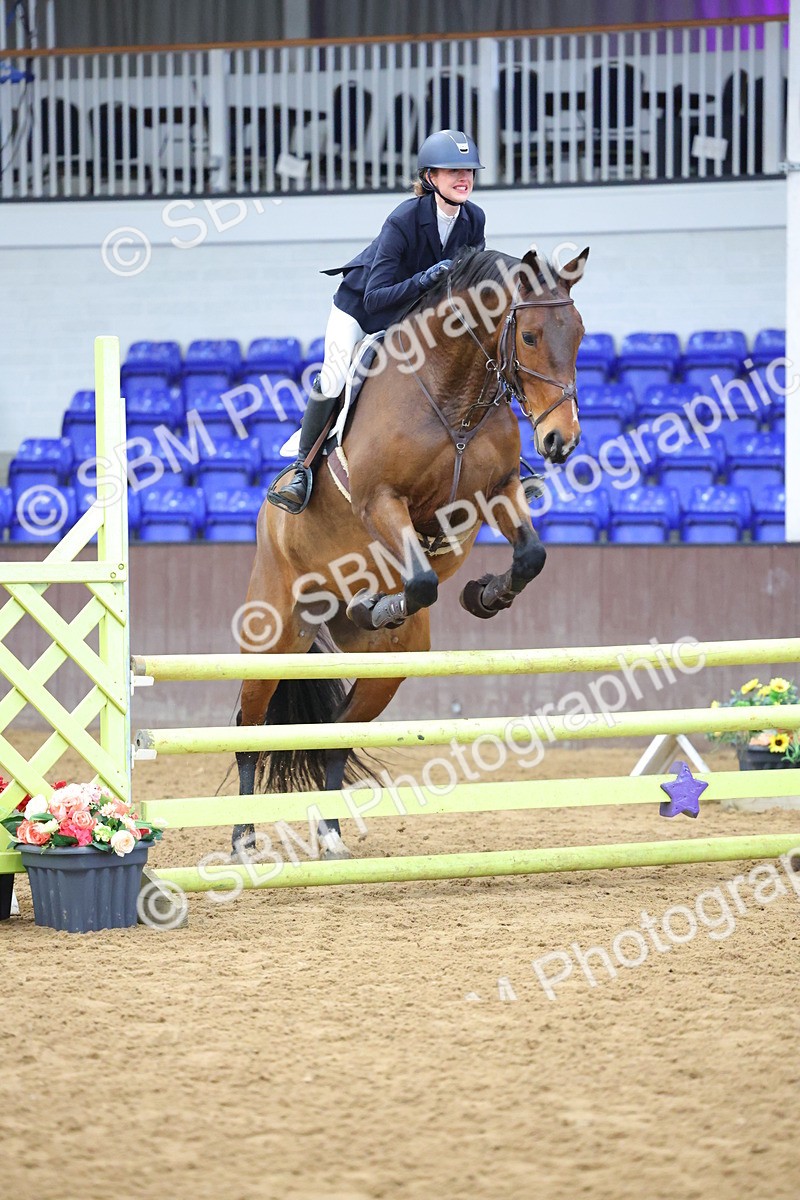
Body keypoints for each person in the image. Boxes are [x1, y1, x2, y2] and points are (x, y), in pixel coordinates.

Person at [269, 128, 486, 512]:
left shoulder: (474, 219)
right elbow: (375, 296)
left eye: (468, 170)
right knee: (335, 375)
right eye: (453, 170)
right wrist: (424, 280)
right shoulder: (403, 219)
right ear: (430, 177)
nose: (463, 177)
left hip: (410, 316)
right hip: (361, 310)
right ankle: (302, 469)